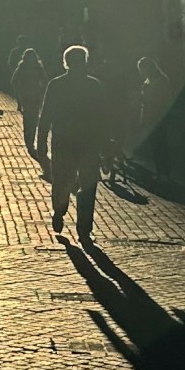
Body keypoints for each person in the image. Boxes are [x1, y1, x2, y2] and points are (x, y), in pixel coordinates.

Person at [42, 44, 110, 242]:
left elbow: (46, 115)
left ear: (66, 63)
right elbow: (103, 117)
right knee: (88, 185)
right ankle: (84, 228)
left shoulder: (55, 85)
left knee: (62, 180)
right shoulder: (94, 85)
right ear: (85, 62)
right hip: (88, 143)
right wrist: (106, 143)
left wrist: (41, 142)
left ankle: (59, 210)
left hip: (63, 141)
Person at [10, 48, 48, 160]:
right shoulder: (26, 67)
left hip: (33, 96)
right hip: (28, 96)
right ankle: (29, 139)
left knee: (32, 118)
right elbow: (14, 80)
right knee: (30, 118)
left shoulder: (29, 67)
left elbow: (44, 80)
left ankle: (29, 139)